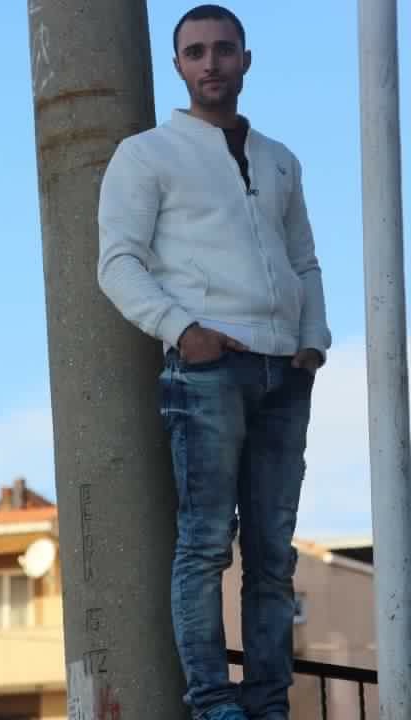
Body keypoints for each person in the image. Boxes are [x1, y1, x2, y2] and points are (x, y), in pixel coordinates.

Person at [98, 5, 331, 719]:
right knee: (205, 545)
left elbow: (304, 259)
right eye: (195, 52)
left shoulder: (280, 158)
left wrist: (313, 339)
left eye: (223, 50)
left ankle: (268, 704)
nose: (211, 63)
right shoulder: (146, 154)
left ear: (245, 60)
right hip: (207, 369)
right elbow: (118, 262)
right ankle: (212, 704)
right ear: (177, 65)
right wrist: (182, 329)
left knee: (274, 556)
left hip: (284, 371)